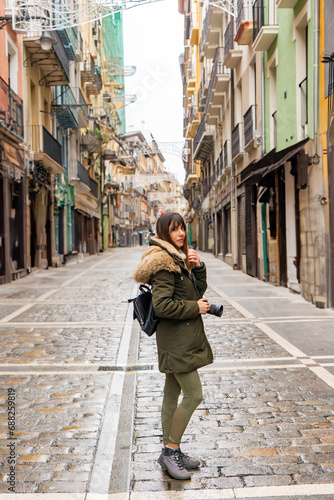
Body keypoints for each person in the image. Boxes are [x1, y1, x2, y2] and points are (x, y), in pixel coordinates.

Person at [133, 212, 213, 480]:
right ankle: (171, 450)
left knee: (172, 392)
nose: (180, 233)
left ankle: (169, 451)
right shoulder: (163, 263)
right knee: (194, 394)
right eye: (174, 229)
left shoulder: (179, 259)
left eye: (182, 228)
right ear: (164, 233)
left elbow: (196, 292)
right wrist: (196, 308)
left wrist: (198, 267)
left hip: (180, 338)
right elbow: (162, 305)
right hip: (176, 341)